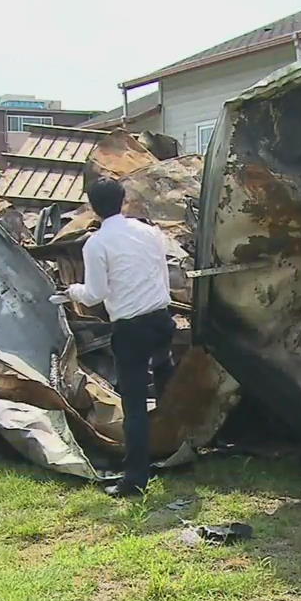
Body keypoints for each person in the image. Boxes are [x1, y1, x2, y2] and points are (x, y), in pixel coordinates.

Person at [63, 178, 175, 498]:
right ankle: (176, 449)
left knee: (136, 405)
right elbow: (161, 273)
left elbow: (95, 293)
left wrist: (72, 291)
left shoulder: (96, 244)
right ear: (124, 199)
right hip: (161, 319)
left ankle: (136, 478)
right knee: (168, 387)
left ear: (93, 207)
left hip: (132, 328)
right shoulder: (150, 232)